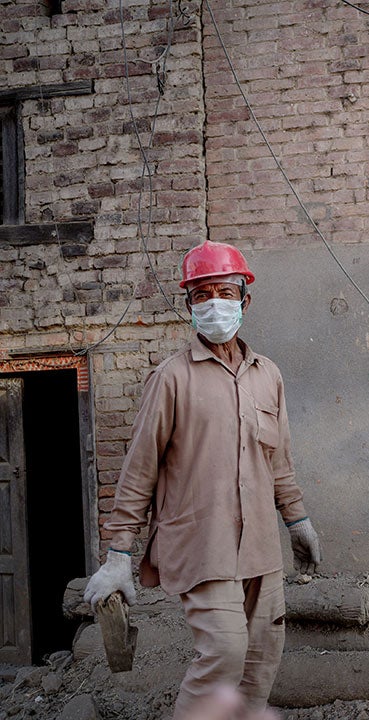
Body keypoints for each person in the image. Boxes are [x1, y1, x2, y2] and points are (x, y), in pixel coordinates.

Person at [84, 240, 323, 719]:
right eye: (202, 294)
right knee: (225, 654)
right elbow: (139, 469)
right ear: (189, 305)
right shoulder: (170, 378)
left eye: (225, 292)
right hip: (200, 543)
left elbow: (279, 460)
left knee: (261, 659)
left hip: (259, 543)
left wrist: (297, 521)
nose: (215, 303)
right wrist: (117, 555)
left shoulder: (267, 375)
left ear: (245, 300)